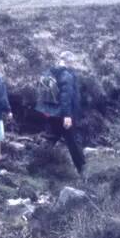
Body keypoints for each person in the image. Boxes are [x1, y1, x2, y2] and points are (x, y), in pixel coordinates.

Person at [35, 50, 86, 179]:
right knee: (73, 142)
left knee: (51, 138)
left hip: (50, 113)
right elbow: (66, 97)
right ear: (70, 61)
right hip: (64, 115)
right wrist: (67, 116)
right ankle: (84, 171)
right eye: (73, 62)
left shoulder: (49, 72)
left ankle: (35, 166)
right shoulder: (67, 75)